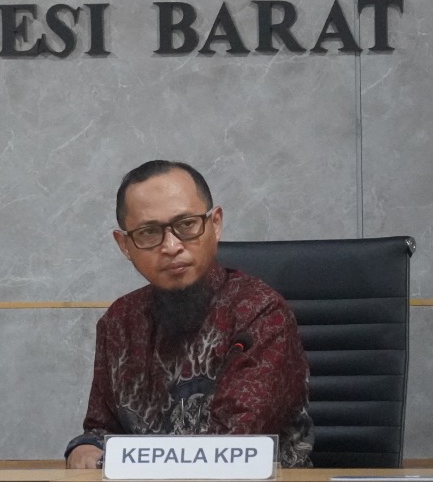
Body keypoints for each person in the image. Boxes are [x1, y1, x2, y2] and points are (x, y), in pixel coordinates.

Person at [64, 159, 313, 468]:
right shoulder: (120, 321)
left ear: (215, 224)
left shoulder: (260, 314)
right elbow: (101, 428)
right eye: (149, 232)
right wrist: (85, 448)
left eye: (186, 225)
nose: (171, 246)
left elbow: (233, 447)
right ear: (125, 245)